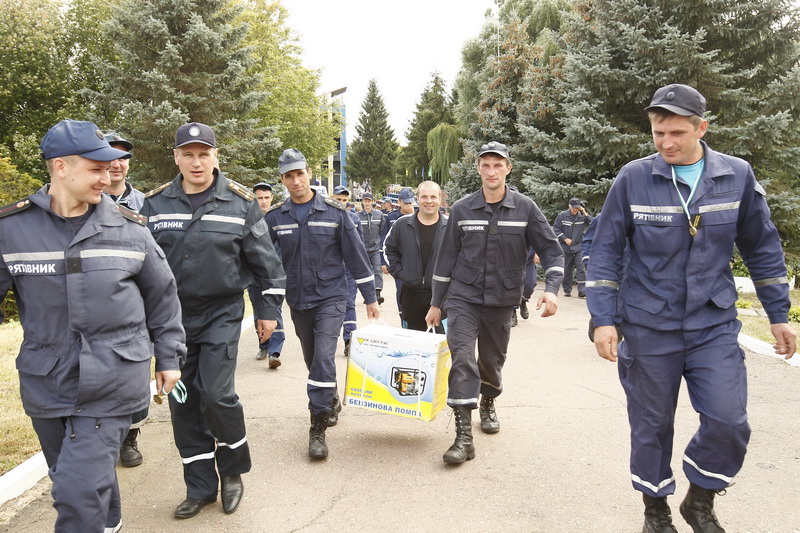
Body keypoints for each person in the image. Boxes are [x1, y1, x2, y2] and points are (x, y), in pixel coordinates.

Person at [586, 84, 797, 533]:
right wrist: (603, 318)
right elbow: (604, 251)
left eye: (677, 133)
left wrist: (778, 314)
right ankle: (655, 510)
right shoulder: (633, 178)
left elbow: (762, 248)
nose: (666, 143)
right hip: (648, 324)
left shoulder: (736, 175)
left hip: (712, 322)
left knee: (728, 420)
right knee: (651, 425)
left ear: (702, 128)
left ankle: (699, 499)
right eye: (658, 133)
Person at [0, 119, 185, 533]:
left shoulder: (129, 228)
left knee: (77, 491)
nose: (108, 176)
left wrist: (169, 357)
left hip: (113, 375)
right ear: (60, 167)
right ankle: (109, 524)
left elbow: (162, 296)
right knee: (73, 478)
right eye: (96, 168)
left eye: (109, 168)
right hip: (46, 379)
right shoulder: (11, 229)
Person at [140, 122, 285, 519]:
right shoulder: (155, 205)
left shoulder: (240, 203)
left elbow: (267, 264)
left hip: (222, 312)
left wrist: (268, 312)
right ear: (176, 157)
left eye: (204, 154)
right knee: (182, 401)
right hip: (171, 319)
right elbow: (139, 265)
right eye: (188, 154)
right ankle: (200, 487)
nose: (196, 162)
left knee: (217, 395)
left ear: (215, 156)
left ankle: (232, 472)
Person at [425, 141, 564, 464]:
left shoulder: (525, 208)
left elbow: (552, 250)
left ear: (508, 169)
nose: (491, 171)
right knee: (462, 358)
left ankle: (488, 400)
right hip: (463, 297)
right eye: (485, 165)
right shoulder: (462, 209)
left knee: (491, 361)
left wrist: (552, 289)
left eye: (497, 165)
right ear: (478, 169)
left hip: (501, 300)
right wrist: (436, 303)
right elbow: (445, 259)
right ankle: (463, 437)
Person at [266, 149, 380, 459]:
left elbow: (356, 257)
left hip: (331, 297)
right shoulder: (275, 218)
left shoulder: (335, 213)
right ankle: (329, 395)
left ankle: (317, 427)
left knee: (323, 358)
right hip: (298, 300)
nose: (296, 180)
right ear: (282, 180)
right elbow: (264, 263)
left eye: (299, 173)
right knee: (312, 358)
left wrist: (370, 297)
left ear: (309, 173)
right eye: (289, 176)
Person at [97, 131, 152, 468]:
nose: (116, 163)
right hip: (96, 304)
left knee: (134, 377)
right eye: (109, 155)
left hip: (137, 305)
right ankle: (103, 436)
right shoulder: (84, 201)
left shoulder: (147, 204)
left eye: (123, 157)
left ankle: (129, 438)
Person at [384, 181, 447, 333]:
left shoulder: (450, 226)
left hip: (442, 296)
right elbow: (388, 249)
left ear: (440, 199)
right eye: (424, 197)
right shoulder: (402, 224)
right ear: (417, 199)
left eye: (433, 197)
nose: (429, 201)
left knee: (440, 343)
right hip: (411, 295)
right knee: (412, 342)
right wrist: (401, 273)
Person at [248, 182, 285, 368]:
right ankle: (263, 345)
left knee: (275, 311)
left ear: (272, 198)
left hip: (275, 277)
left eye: (266, 198)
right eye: (259, 198)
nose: (263, 201)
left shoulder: (279, 220)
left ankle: (274, 352)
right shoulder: (249, 220)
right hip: (255, 276)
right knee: (258, 312)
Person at [331, 184, 363, 356]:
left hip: (349, 270)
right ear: (331, 198)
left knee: (349, 303)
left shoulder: (354, 219)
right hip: (329, 271)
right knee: (330, 307)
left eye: (344, 200)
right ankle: (326, 342)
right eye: (338, 199)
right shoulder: (323, 217)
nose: (342, 203)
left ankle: (349, 340)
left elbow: (360, 246)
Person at [381, 186, 416, 319]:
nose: (408, 205)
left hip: (415, 261)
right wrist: (384, 262)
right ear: (399, 202)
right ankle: (403, 317)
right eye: (405, 202)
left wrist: (412, 215)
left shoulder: (418, 216)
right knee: (401, 290)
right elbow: (384, 239)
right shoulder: (391, 217)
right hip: (399, 262)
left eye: (410, 203)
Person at [553, 197, 592, 298]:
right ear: (569, 206)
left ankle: (582, 290)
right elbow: (556, 229)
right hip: (566, 247)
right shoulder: (562, 216)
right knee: (567, 269)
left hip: (579, 247)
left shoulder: (582, 216)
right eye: (574, 207)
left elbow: (592, 224)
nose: (575, 209)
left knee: (581, 268)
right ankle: (567, 290)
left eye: (577, 207)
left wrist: (585, 213)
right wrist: (564, 238)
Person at [102, 131, 144, 211]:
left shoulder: (144, 204)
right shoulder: (84, 202)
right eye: (110, 158)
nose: (116, 165)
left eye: (122, 158)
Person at [356, 192, 385, 304]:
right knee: (366, 272)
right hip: (363, 249)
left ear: (372, 202)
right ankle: (368, 295)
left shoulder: (379, 215)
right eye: (365, 201)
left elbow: (382, 231)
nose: (367, 203)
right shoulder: (357, 216)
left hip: (375, 249)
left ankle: (377, 293)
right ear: (362, 202)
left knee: (377, 269)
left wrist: (379, 244)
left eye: (369, 201)